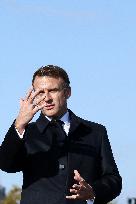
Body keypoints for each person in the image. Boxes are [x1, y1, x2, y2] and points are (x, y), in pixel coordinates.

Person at [0, 65, 122, 204]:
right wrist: (19, 124)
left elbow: (113, 179)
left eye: (53, 90)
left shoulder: (95, 132)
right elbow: (6, 165)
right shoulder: (26, 132)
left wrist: (93, 191)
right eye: (40, 92)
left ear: (67, 92)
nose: (46, 98)